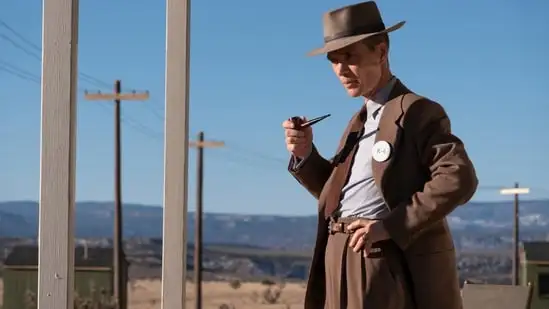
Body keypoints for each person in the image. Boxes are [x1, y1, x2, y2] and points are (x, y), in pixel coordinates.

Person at [282, 1, 478, 309]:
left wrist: (391, 225)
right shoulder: (358, 122)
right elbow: (339, 198)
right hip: (338, 255)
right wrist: (306, 154)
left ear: (381, 52)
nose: (340, 70)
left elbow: (458, 178)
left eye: (350, 57)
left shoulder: (416, 111)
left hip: (377, 257)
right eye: (333, 60)